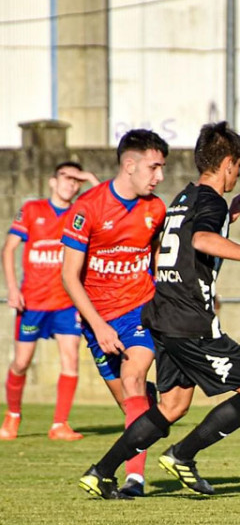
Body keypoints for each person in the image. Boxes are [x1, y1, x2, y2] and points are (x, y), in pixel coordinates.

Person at [78, 121, 240, 500]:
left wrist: (228, 216)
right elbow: (202, 239)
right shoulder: (210, 203)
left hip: (162, 316)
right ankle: (182, 454)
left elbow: (186, 240)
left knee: (172, 404)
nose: (238, 174)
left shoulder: (183, 200)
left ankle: (101, 471)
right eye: (238, 166)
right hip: (191, 322)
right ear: (229, 165)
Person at [61, 130, 168, 496]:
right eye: (154, 168)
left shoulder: (156, 209)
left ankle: (134, 480)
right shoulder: (88, 208)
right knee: (133, 406)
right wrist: (98, 326)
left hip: (140, 311)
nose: (159, 177)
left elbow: (162, 257)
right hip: (98, 322)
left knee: (134, 379)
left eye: (162, 168)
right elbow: (69, 277)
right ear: (129, 164)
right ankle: (153, 407)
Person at [0, 162, 98, 441]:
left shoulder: (81, 212)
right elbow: (8, 249)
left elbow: (105, 203)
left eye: (76, 180)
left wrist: (91, 178)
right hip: (32, 303)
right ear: (53, 181)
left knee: (71, 361)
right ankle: (13, 416)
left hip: (66, 304)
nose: (71, 184)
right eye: (66, 178)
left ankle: (59, 425)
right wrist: (12, 288)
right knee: (21, 362)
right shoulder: (32, 210)